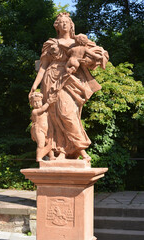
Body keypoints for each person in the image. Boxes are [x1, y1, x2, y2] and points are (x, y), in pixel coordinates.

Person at [29, 12, 108, 161]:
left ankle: (79, 148)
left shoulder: (79, 42)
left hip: (70, 80)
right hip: (51, 79)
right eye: (61, 22)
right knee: (54, 117)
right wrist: (35, 85)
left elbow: (98, 54)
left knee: (68, 113)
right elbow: (44, 66)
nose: (64, 24)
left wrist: (96, 57)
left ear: (71, 25)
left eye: (66, 22)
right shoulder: (50, 43)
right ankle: (60, 151)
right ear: (57, 26)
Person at [29, 92, 57, 161]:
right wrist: (48, 102)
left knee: (49, 143)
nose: (37, 103)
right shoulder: (35, 111)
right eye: (34, 102)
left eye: (38, 101)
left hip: (46, 130)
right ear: (32, 104)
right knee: (41, 144)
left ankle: (51, 156)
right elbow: (42, 109)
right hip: (38, 130)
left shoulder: (45, 112)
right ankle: (39, 157)